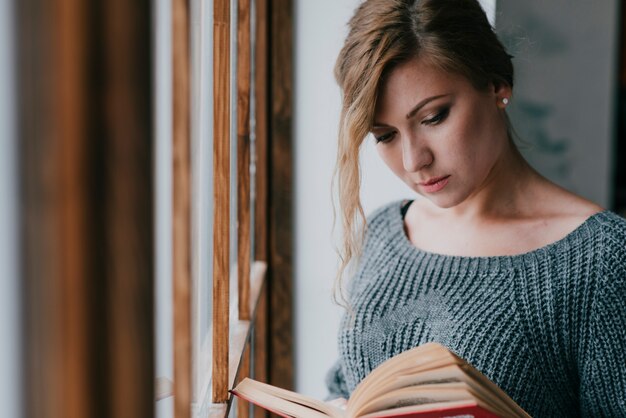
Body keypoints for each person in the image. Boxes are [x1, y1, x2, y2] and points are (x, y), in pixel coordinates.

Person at [325, 0, 626, 416]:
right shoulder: (386, 231)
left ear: (497, 84)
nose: (414, 161)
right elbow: (346, 383)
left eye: (433, 117)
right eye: (385, 135)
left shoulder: (602, 259)